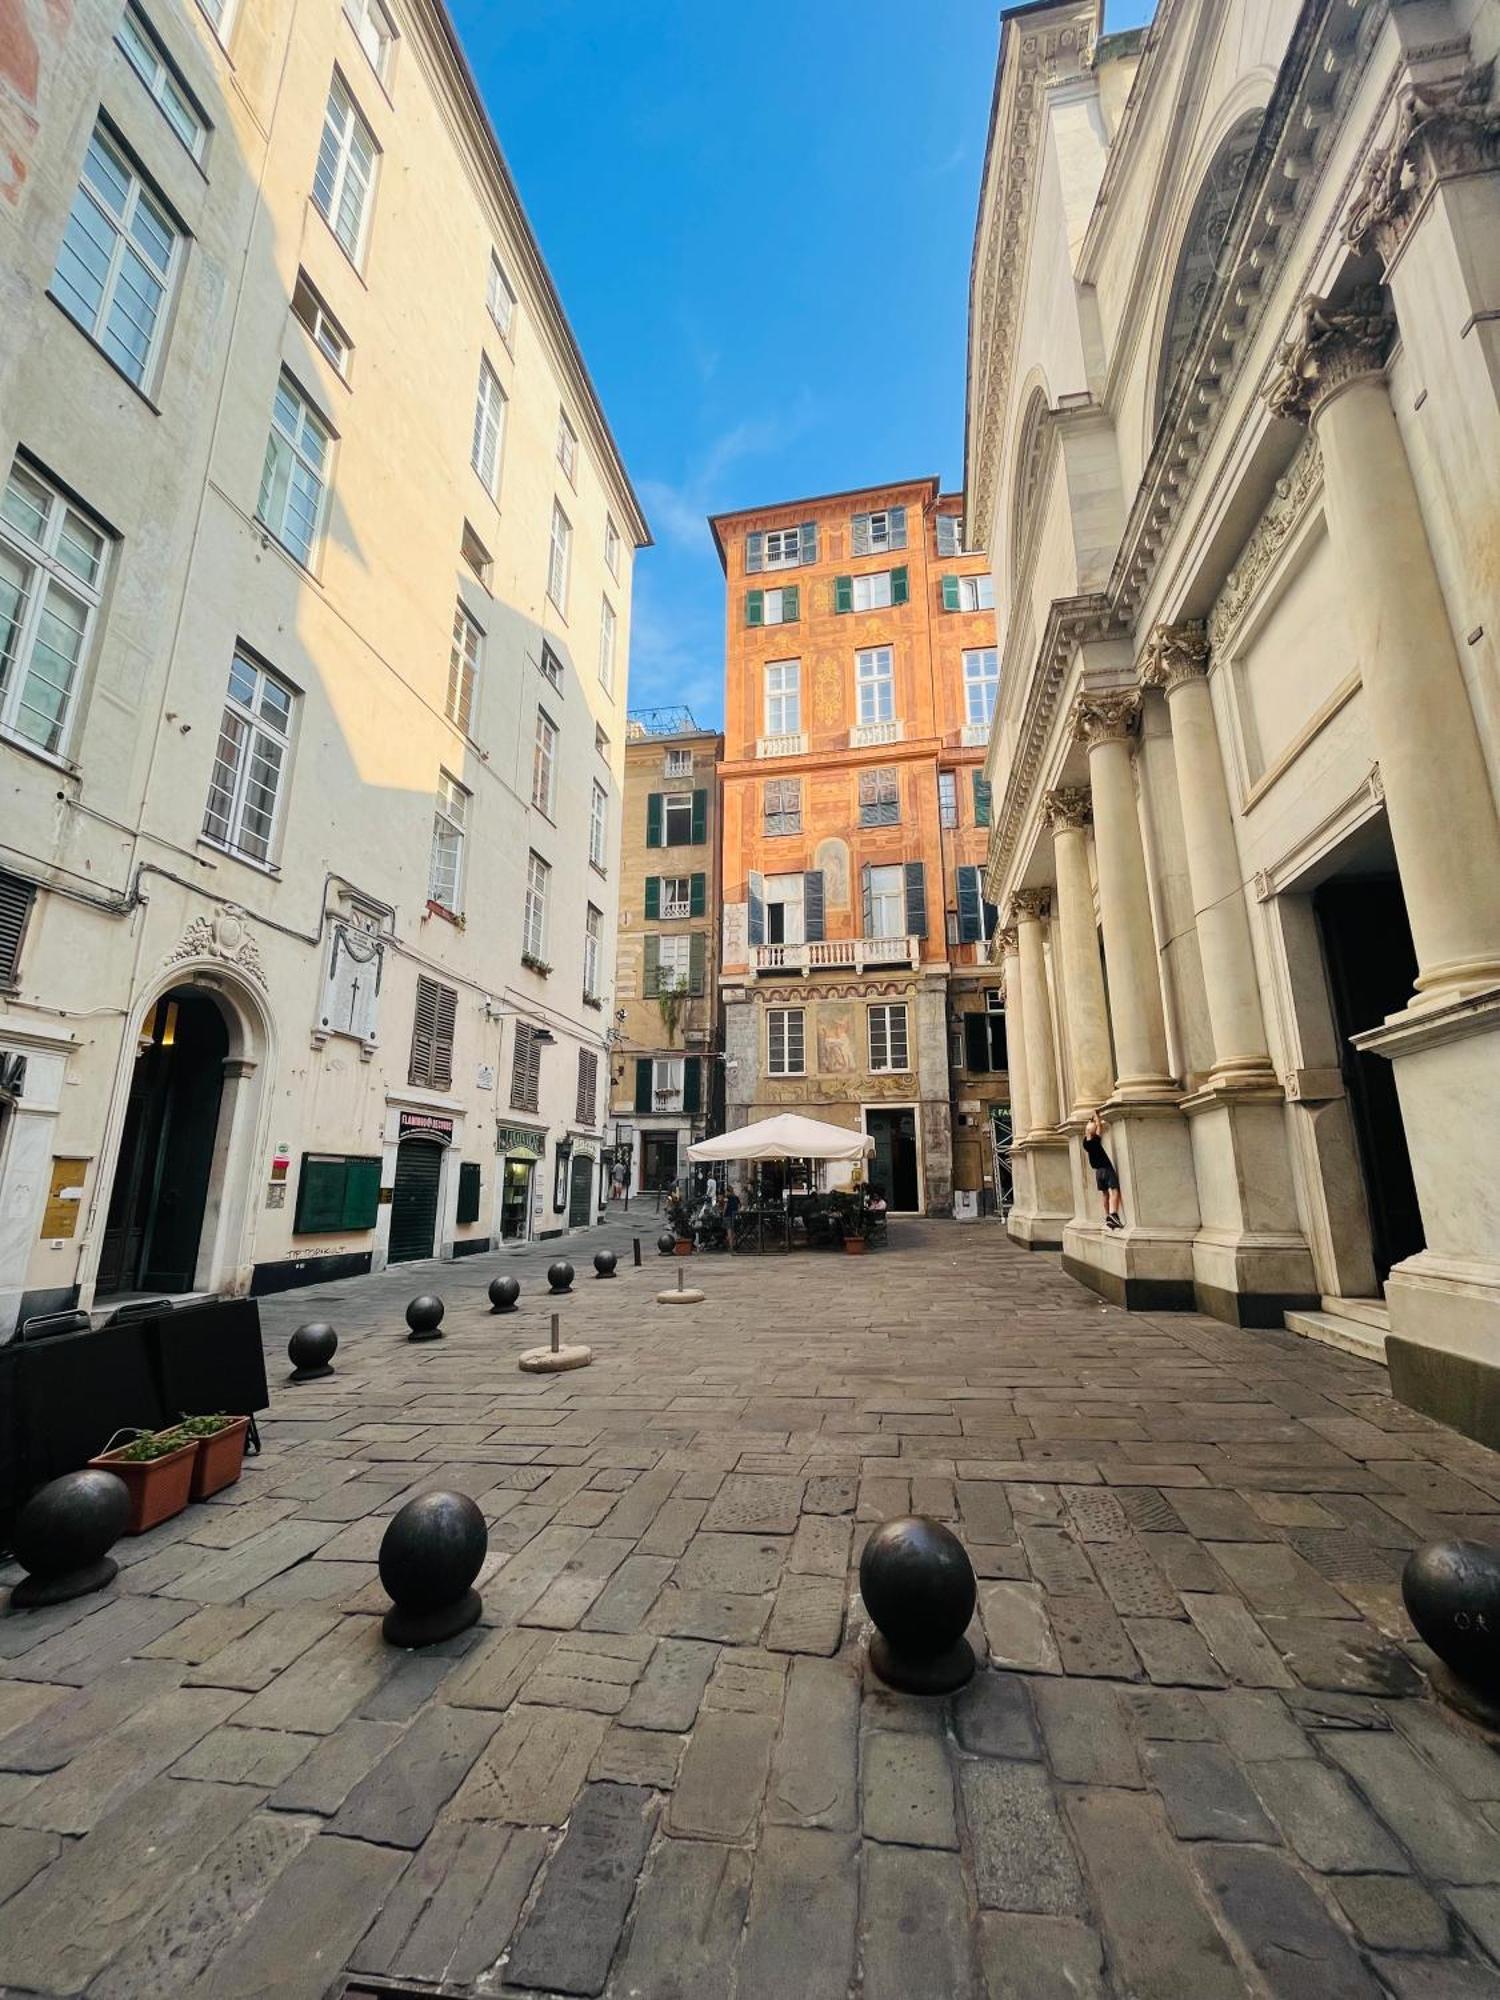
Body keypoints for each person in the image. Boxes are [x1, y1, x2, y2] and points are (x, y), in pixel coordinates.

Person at [1083, 1109, 1123, 1229]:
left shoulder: (1086, 1143)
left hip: (1098, 1172)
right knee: (1114, 1191)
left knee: (1105, 1194)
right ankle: (1113, 1214)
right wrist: (1097, 1118)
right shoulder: (1095, 1141)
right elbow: (1099, 1127)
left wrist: (1092, 1121)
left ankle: (1107, 1217)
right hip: (1106, 1168)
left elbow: (1091, 1130)